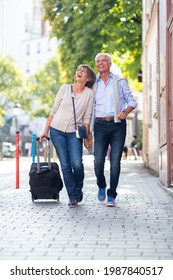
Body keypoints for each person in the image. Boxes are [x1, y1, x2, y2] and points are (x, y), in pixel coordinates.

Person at [40, 64, 96, 208]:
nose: (80, 72)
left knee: (77, 163)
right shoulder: (64, 88)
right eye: (78, 70)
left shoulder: (89, 93)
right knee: (65, 165)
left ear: (88, 78)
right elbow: (53, 111)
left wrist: (87, 138)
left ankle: (78, 188)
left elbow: (87, 117)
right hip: (57, 130)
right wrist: (45, 131)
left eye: (84, 71)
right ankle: (72, 196)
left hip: (74, 132)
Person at [89, 53, 138, 207]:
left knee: (115, 162)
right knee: (98, 162)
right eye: (97, 61)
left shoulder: (119, 81)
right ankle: (101, 185)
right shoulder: (92, 84)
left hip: (117, 124)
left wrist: (125, 112)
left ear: (109, 64)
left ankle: (112, 195)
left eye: (103, 61)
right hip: (99, 125)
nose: (100, 63)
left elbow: (132, 101)